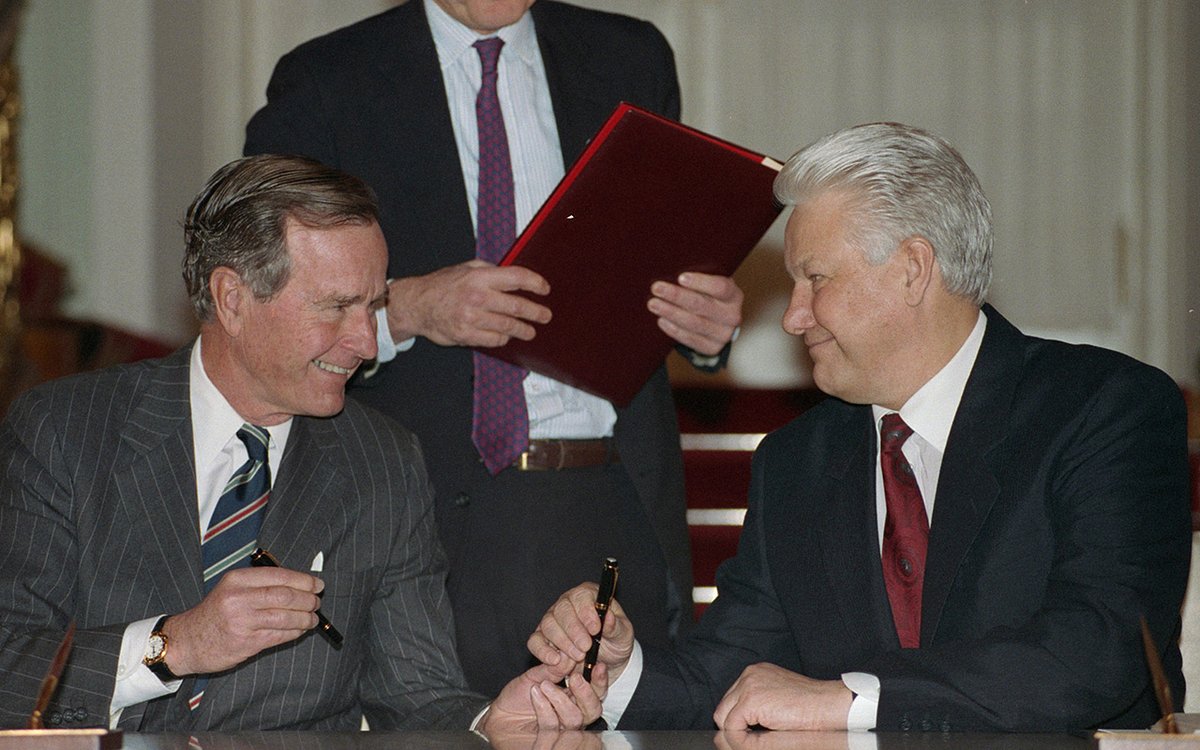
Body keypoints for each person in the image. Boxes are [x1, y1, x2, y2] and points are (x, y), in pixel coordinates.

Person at [529, 122, 1192, 733]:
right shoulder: (796, 461)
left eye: (815, 279)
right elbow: (728, 674)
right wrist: (617, 673)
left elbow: (1098, 651)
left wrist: (852, 699)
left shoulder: (1104, 409)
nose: (792, 317)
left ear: (912, 270)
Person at [0, 154, 604, 732]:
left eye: (373, 306)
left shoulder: (382, 461)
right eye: (336, 307)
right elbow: (9, 666)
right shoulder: (67, 431)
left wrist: (488, 723)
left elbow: (418, 698)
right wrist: (176, 645)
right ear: (233, 300)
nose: (365, 342)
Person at [244, 0, 745, 696]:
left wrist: (704, 321)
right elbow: (267, 308)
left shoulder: (628, 57)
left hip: (605, 495)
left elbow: (668, 258)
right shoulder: (328, 80)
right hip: (419, 515)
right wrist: (407, 308)